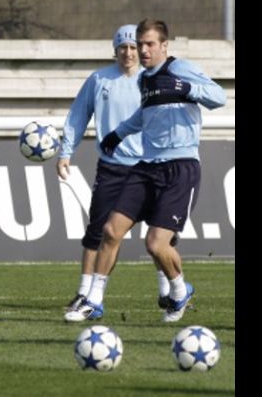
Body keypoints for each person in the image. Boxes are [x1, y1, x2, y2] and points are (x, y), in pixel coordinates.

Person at [64, 18, 226, 323]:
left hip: (180, 167)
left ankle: (179, 289)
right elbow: (145, 114)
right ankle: (94, 301)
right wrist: (120, 133)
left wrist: (186, 87)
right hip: (146, 166)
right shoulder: (144, 80)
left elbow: (218, 97)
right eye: (141, 44)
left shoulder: (180, 69)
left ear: (164, 45)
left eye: (150, 44)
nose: (143, 50)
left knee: (155, 244)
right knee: (111, 231)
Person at [58, 24, 174, 315]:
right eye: (123, 47)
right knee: (98, 232)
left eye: (134, 46)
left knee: (159, 233)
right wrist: (65, 152)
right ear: (115, 50)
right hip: (112, 169)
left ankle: (168, 291)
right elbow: (77, 116)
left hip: (150, 166)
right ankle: (85, 292)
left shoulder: (154, 80)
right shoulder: (99, 80)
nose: (129, 52)